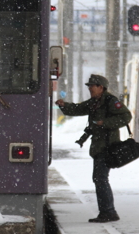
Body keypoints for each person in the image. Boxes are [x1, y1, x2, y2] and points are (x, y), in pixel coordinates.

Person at [55, 74, 131, 223]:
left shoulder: (111, 101)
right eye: (89, 86)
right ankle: (108, 211)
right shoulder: (94, 102)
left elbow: (126, 116)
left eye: (92, 86)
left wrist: (105, 123)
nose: (89, 88)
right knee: (99, 178)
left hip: (108, 146)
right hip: (98, 147)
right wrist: (64, 106)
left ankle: (108, 212)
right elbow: (78, 109)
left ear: (101, 87)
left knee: (100, 178)